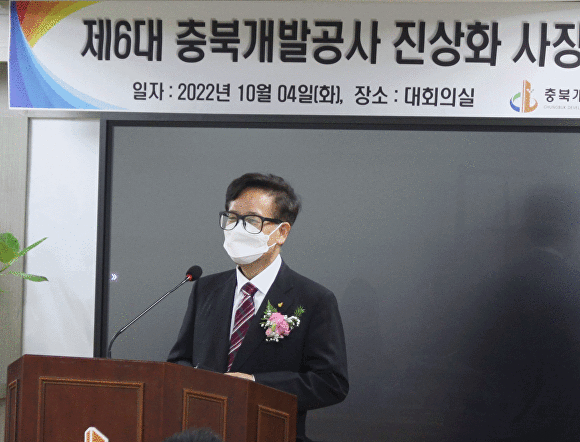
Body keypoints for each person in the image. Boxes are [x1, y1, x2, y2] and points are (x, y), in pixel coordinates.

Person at [168, 173, 349, 442]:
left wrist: (255, 385)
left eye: (252, 221)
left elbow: (331, 382)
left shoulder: (313, 300)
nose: (237, 229)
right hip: (204, 432)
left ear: (282, 232)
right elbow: (178, 362)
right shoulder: (205, 289)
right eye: (232, 218)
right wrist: (201, 383)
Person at [446, 185, 580, 441]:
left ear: (527, 231)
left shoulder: (498, 284)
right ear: (567, 233)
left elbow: (473, 357)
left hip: (504, 425)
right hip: (564, 426)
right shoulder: (575, 286)